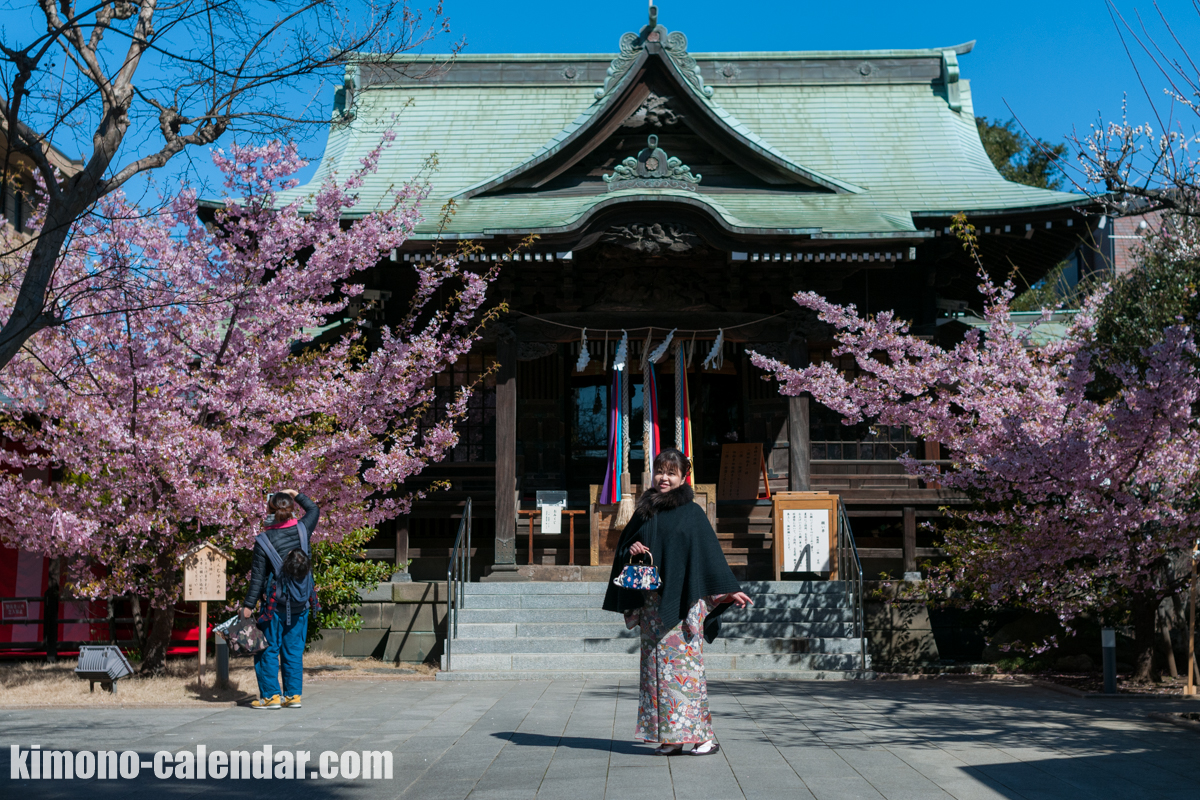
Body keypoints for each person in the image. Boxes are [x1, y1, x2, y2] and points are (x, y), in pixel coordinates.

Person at [603, 448, 754, 756]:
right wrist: (630, 549)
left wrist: (728, 589)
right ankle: (670, 738)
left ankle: (703, 738)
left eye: (672, 472)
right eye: (660, 471)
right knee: (654, 673)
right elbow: (623, 550)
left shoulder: (692, 512)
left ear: (684, 476)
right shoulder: (644, 510)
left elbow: (709, 556)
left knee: (686, 672)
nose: (664, 478)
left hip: (684, 604)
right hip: (652, 606)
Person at [242, 488, 319, 710]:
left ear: (270, 510)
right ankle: (293, 696)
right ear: (292, 508)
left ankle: (271, 697)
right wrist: (296, 493)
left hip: (273, 607)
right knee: (293, 650)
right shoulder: (303, 529)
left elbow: (257, 578)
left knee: (267, 648)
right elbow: (314, 509)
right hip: (301, 603)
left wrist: (248, 606)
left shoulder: (264, 540)